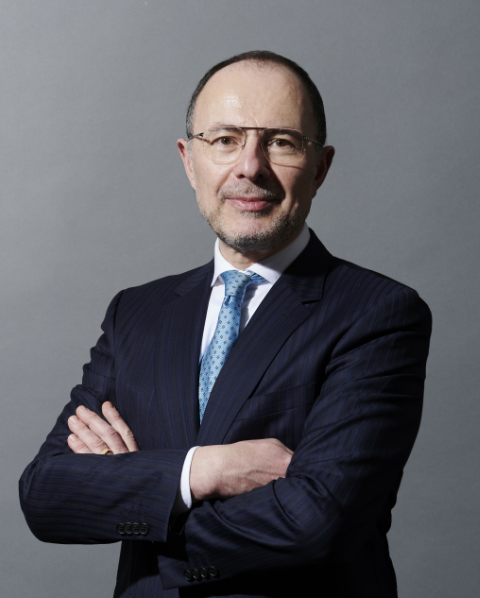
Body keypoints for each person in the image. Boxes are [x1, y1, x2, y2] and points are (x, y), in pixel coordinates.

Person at [19, 51, 432, 598]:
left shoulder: (377, 312)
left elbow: (317, 520)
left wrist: (138, 492)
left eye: (281, 142)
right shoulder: (136, 313)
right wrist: (203, 471)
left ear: (320, 167)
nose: (249, 167)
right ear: (190, 161)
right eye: (224, 140)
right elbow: (46, 497)